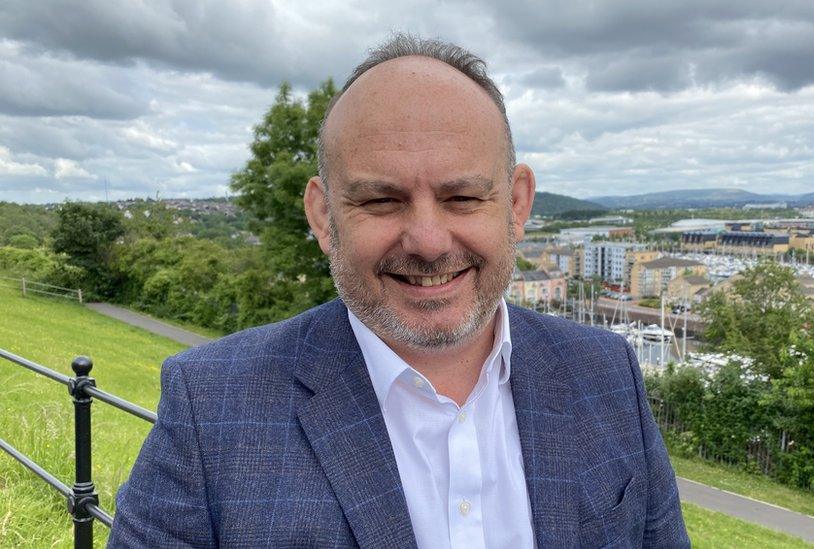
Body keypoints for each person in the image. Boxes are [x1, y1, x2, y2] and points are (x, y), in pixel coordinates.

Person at [109, 34, 689, 548]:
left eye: (462, 197)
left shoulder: (607, 372)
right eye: (381, 200)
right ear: (322, 216)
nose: (430, 243)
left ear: (516, 205)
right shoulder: (211, 407)